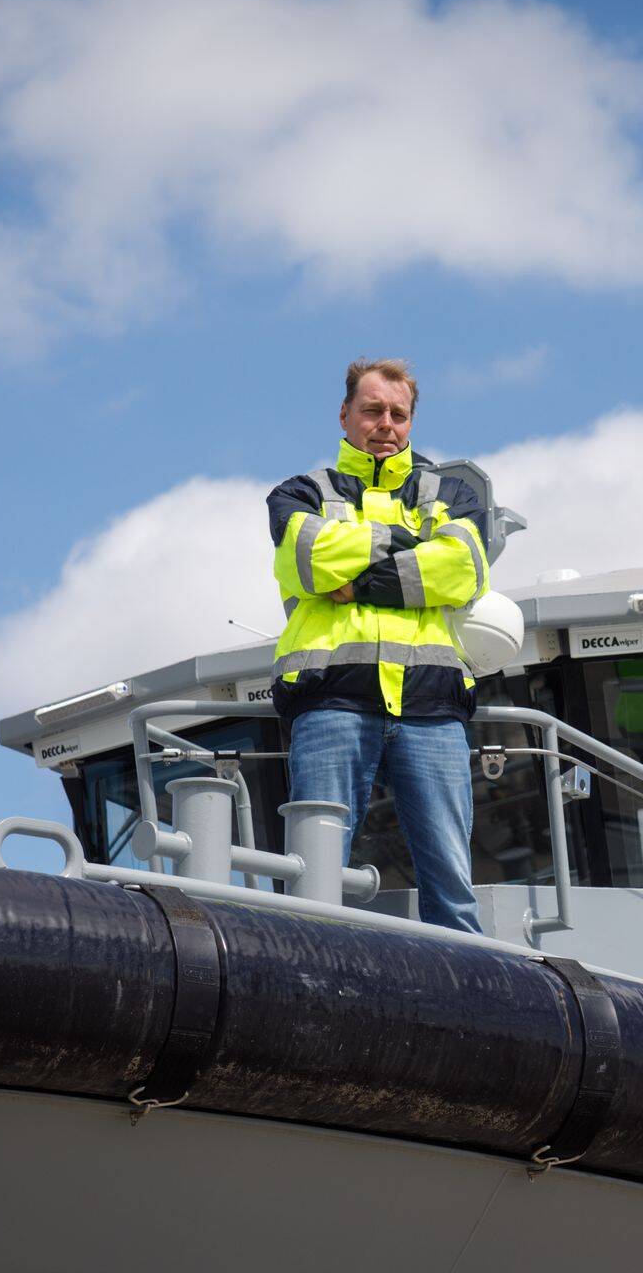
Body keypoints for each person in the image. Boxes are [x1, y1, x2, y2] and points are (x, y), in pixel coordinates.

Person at [265, 358, 491, 932]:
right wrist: (406, 543)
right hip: (333, 702)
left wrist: (359, 577)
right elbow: (306, 557)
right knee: (313, 883)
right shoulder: (298, 493)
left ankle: (475, 1000)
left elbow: (462, 569)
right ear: (345, 415)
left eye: (398, 413)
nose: (385, 423)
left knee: (452, 885)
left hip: (429, 708)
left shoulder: (453, 491)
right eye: (372, 410)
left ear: (411, 421)